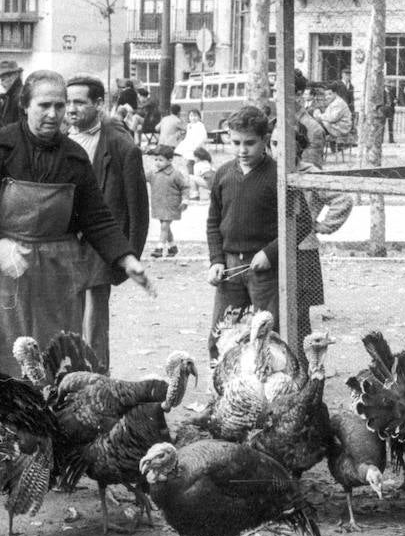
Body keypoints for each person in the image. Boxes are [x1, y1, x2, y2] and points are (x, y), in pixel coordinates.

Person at [0, 70, 151, 377]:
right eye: (44, 105)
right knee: (0, 361)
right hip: (1, 274)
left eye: (59, 106)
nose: (54, 114)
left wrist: (126, 258)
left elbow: (96, 217)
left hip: (55, 276)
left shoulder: (74, 157)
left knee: (53, 360)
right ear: (25, 105)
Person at [65, 74, 151, 369]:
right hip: (65, 239)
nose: (71, 109)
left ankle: (98, 377)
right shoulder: (62, 139)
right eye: (68, 102)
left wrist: (130, 253)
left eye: (79, 102)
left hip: (100, 241)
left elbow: (138, 206)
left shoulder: (121, 146)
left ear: (99, 104)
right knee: (67, 311)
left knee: (94, 315)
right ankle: (69, 375)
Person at [205, 105, 279, 361]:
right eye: (235, 142)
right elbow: (214, 221)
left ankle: (267, 395)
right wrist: (216, 260)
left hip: (264, 270)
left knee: (267, 336)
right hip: (229, 267)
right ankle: (221, 393)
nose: (242, 150)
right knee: (221, 334)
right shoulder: (224, 174)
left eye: (250, 143)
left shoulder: (278, 177)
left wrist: (270, 252)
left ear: (265, 140)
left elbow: (299, 224)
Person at [275, 123, 353, 340]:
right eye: (273, 144)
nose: (277, 151)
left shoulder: (310, 174)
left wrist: (322, 225)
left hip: (303, 249)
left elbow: (343, 198)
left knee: (300, 313)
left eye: (284, 146)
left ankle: (305, 362)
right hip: (274, 247)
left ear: (299, 147)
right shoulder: (269, 171)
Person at [147, 145, 189, 260]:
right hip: (159, 204)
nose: (157, 162)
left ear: (170, 160)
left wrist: (185, 200)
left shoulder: (175, 174)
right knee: (165, 226)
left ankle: (159, 248)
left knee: (164, 226)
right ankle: (172, 247)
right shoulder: (153, 173)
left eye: (160, 160)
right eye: (156, 159)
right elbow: (141, 178)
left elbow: (185, 187)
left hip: (171, 204)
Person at [0, 60, 24, 126]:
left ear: (14, 76)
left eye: (3, 79)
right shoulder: (11, 96)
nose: (1, 84)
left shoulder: (19, 96)